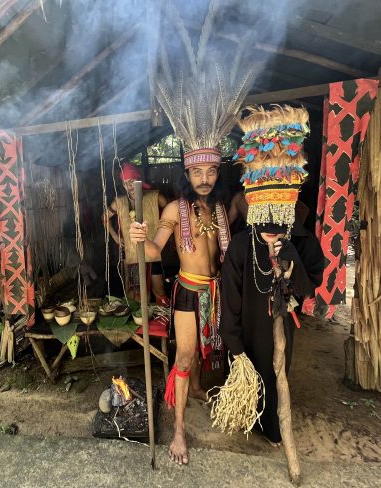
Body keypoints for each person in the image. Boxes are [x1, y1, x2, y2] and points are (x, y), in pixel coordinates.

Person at [219, 105, 324, 446]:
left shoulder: (301, 241)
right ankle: (246, 414)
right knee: (248, 369)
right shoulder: (239, 248)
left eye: (279, 224)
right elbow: (229, 305)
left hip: (279, 327)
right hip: (247, 325)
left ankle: (274, 427)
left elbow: (309, 288)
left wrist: (289, 258)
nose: (271, 231)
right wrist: (234, 348)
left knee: (277, 370)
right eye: (264, 222)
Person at [130, 147, 230, 465]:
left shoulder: (219, 209)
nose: (204, 179)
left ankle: (198, 387)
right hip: (188, 289)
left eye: (211, 171)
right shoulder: (175, 209)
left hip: (215, 290)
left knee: (204, 346)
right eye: (197, 172)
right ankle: (178, 432)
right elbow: (155, 249)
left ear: (217, 173)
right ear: (187, 174)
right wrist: (138, 237)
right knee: (185, 356)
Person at [104, 162, 169, 305]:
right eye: (126, 183)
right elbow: (104, 218)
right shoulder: (119, 202)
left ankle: (162, 317)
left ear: (138, 179)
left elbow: (170, 212)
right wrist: (115, 237)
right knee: (136, 293)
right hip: (131, 252)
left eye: (132, 181)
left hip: (152, 249)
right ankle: (139, 319)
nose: (129, 186)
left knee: (159, 290)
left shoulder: (154, 196)